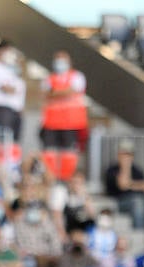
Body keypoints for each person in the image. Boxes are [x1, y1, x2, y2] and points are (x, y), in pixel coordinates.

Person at [39, 50, 87, 182]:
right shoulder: (49, 78)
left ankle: (66, 180)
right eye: (58, 59)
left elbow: (70, 91)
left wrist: (54, 92)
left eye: (63, 59)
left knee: (69, 154)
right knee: (49, 154)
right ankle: (51, 180)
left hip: (71, 123)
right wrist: (62, 92)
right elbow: (45, 93)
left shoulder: (77, 76)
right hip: (51, 124)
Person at [0, 42, 25, 149]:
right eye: (7, 51)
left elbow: (19, 87)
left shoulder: (11, 68)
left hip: (15, 109)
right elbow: (6, 89)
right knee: (2, 138)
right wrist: (14, 89)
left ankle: (12, 163)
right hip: (2, 109)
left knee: (15, 141)